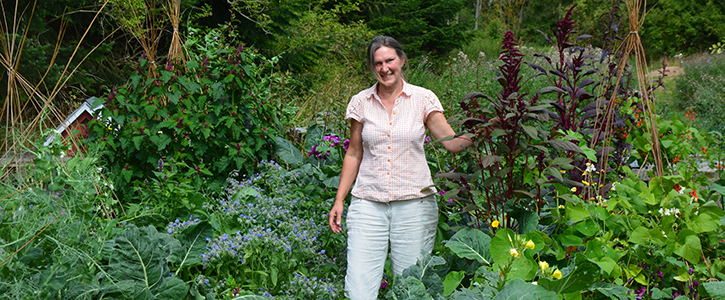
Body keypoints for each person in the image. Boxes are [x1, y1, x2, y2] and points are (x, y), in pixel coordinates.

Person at [328, 36, 473, 299]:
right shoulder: (361, 102)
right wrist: (339, 199)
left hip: (414, 206)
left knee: (411, 286)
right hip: (368, 203)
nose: (385, 68)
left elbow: (452, 144)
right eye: (378, 63)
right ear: (372, 68)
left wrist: (486, 129)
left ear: (402, 60)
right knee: (359, 287)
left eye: (390, 60)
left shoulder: (423, 99)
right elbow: (354, 152)